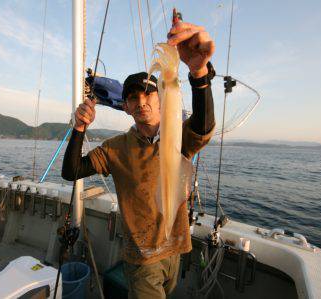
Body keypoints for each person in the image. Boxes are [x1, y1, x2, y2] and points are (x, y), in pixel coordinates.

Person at [62, 21, 216, 298]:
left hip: (177, 249)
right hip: (142, 258)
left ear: (161, 99)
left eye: (148, 93)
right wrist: (79, 128)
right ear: (126, 107)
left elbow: (204, 126)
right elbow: (72, 170)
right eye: (133, 97)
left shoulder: (178, 137)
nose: (141, 101)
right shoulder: (115, 149)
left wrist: (199, 72)